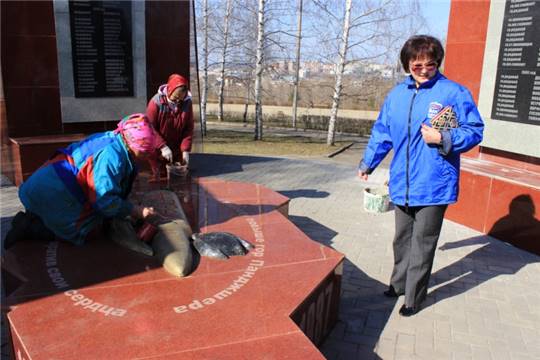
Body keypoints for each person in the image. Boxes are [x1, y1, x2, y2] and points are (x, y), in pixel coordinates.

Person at [358, 35, 484, 316]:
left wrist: (443, 136)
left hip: (434, 183)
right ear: (407, 65)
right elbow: (382, 132)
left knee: (423, 243)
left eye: (431, 64)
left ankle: (414, 298)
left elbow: (474, 130)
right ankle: (398, 283)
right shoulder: (397, 96)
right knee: (401, 239)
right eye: (418, 65)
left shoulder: (453, 93)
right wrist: (369, 162)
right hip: (402, 182)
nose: (425, 70)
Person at [4, 113, 158, 248]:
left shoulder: (116, 138)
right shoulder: (111, 157)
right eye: (145, 151)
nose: (147, 155)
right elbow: (103, 200)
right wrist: (136, 211)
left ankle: (37, 216)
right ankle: (29, 227)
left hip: (49, 183)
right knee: (85, 232)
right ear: (132, 142)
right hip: (54, 190)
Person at [146, 73, 194, 181]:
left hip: (176, 148)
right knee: (160, 177)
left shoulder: (187, 103)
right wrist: (162, 146)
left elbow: (188, 128)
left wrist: (185, 150)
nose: (178, 102)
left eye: (180, 99)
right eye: (175, 98)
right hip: (157, 149)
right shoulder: (156, 102)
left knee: (178, 176)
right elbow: (150, 128)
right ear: (170, 90)